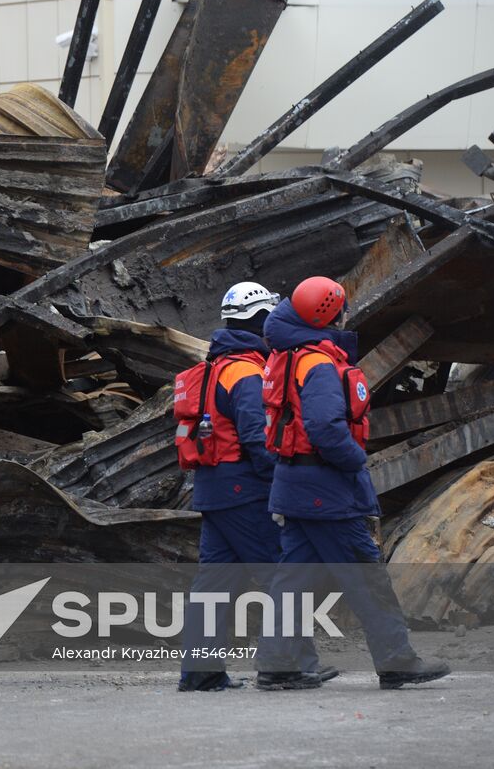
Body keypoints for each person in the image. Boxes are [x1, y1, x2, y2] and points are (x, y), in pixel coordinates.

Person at [255, 276, 450, 691]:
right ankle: (397, 660)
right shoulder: (320, 364)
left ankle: (279, 665)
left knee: (293, 579)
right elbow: (325, 427)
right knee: (366, 576)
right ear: (330, 314)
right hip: (326, 487)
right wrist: (355, 459)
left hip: (293, 483)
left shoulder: (289, 356)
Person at [175, 282, 322, 691]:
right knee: (281, 574)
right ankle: (291, 665)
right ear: (261, 320)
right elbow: (258, 439)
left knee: (213, 585)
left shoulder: (213, 368)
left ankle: (200, 675)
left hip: (212, 489)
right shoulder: (247, 372)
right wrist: (284, 485)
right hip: (244, 490)